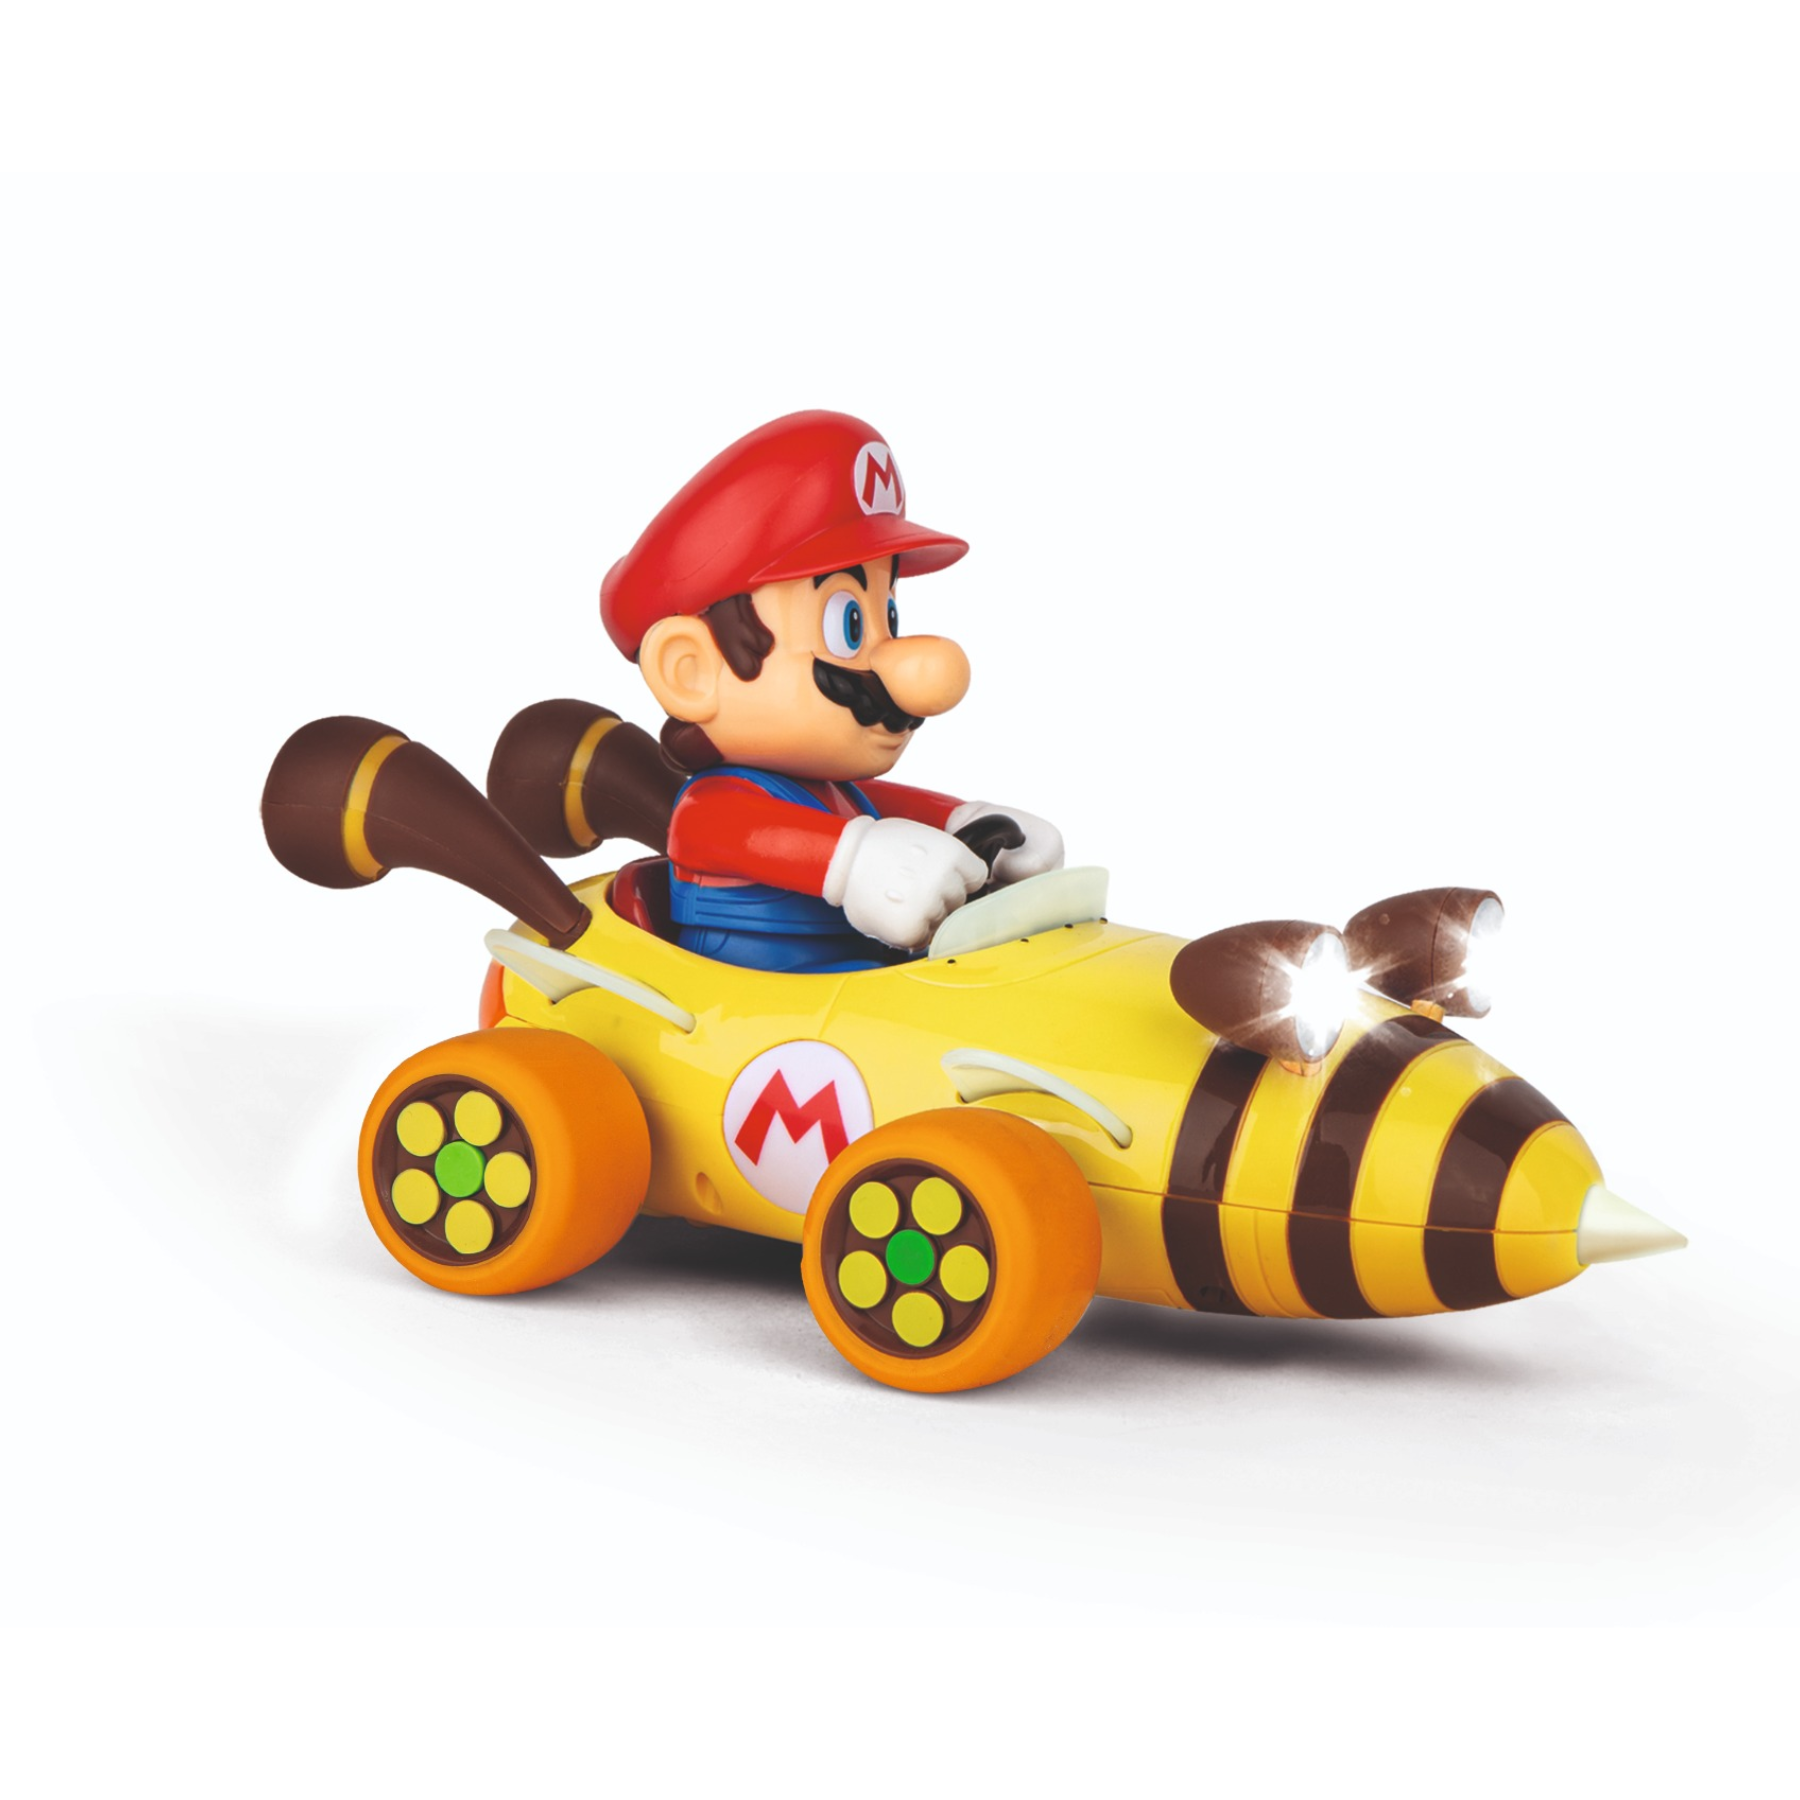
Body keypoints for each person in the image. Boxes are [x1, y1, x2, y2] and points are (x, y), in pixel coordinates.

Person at [599, 410, 1063, 972]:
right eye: (849, 625)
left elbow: (888, 809)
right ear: (689, 670)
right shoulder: (709, 811)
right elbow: (773, 837)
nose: (908, 676)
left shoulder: (833, 792)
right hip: (759, 994)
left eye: (888, 615)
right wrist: (859, 862)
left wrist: (966, 821)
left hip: (854, 975)